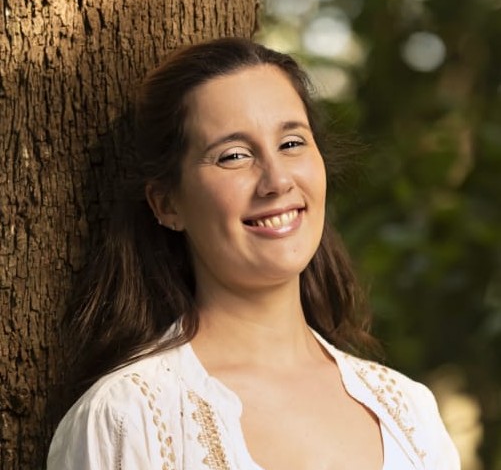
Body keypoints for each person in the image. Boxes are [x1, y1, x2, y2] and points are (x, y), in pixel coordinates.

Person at [47, 37, 460, 470]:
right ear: (167, 204)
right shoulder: (126, 418)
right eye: (234, 156)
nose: (277, 181)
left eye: (292, 143)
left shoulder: (411, 413)